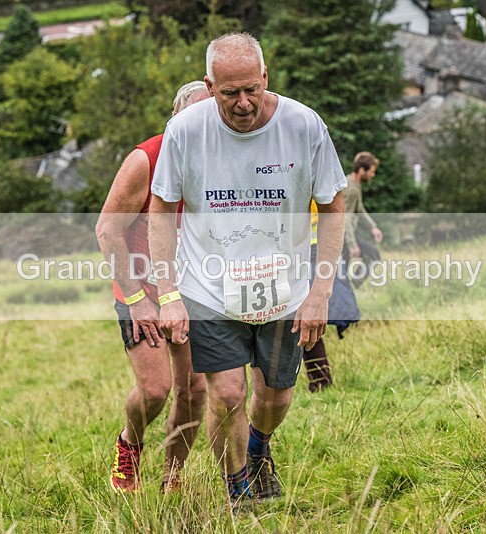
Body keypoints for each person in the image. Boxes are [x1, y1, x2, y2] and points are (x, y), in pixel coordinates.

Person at [148, 33, 346, 507]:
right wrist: (169, 293)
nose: (242, 104)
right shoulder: (186, 131)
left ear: (265, 78)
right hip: (208, 285)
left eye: (250, 90)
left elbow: (333, 206)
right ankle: (239, 491)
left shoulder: (304, 125)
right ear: (209, 85)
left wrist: (320, 293)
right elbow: (160, 210)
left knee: (275, 396)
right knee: (228, 394)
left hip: (286, 283)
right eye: (228, 93)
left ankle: (258, 449)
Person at [95, 81, 210, 493]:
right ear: (176, 119)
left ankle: (172, 478)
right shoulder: (146, 159)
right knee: (156, 389)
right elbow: (108, 231)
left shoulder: (220, 160)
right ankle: (130, 443)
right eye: (194, 118)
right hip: (139, 288)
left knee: (195, 390)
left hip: (192, 290)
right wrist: (140, 300)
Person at [303, 201, 360, 392]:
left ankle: (320, 381)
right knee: (306, 319)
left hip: (312, 251)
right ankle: (320, 380)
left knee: (306, 319)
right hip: (317, 250)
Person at [344, 151, 383, 286]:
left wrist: (373, 227)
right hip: (343, 235)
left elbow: (359, 208)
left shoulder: (354, 184)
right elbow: (344, 217)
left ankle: (353, 284)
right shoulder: (350, 188)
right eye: (371, 171)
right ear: (362, 170)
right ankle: (352, 286)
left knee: (373, 255)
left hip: (347, 234)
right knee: (373, 256)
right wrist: (352, 244)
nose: (373, 174)